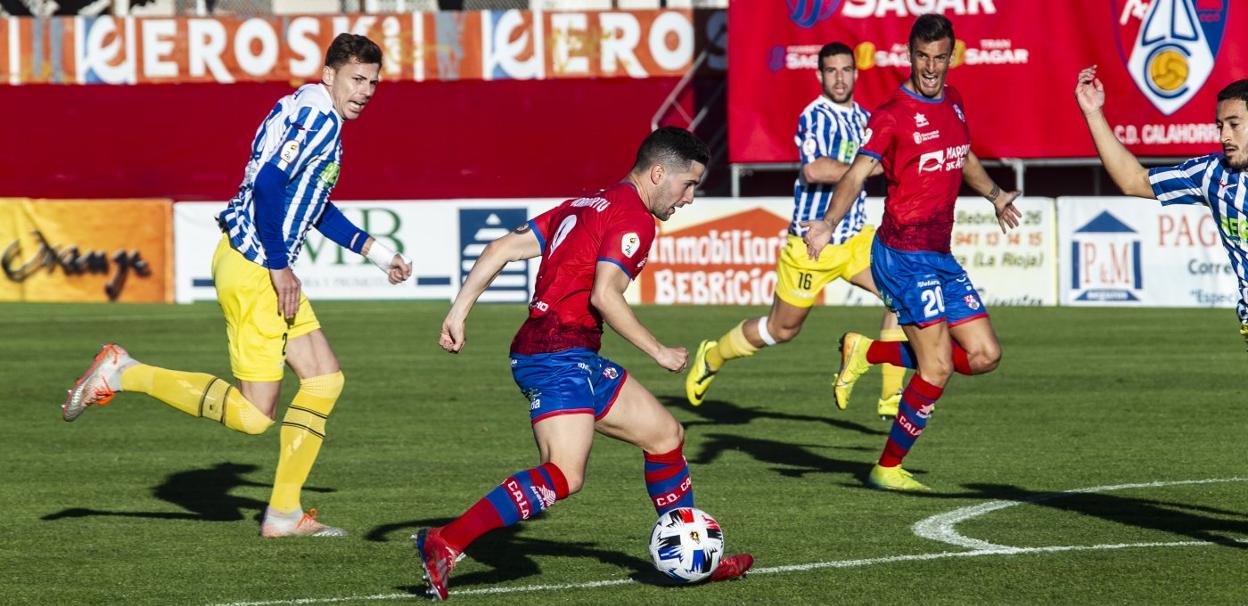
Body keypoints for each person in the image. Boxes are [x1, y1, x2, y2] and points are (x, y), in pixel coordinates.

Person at [60, 33, 413, 537]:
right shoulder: (318, 118)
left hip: (252, 263)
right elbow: (269, 185)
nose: (365, 91)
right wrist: (277, 265)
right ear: (329, 74)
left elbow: (311, 205)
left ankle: (284, 514)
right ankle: (123, 372)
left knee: (324, 380)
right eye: (357, 79)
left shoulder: (306, 109)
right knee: (253, 417)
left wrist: (377, 254)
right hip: (255, 268)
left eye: (373, 83)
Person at [416, 127, 752, 601]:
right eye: (688, 184)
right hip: (554, 356)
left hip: (572, 354)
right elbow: (605, 295)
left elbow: (500, 248)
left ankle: (690, 558)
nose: (690, 198)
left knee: (665, 436)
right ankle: (445, 542)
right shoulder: (635, 217)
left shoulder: (587, 203)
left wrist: (458, 311)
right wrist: (658, 351)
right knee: (564, 474)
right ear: (659, 173)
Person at [802, 15, 1021, 492]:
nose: (931, 67)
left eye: (940, 58)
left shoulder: (955, 102)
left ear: (951, 57)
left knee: (984, 355)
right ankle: (886, 467)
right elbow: (857, 174)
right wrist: (827, 224)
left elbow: (962, 157)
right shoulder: (892, 113)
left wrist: (996, 195)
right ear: (910, 55)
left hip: (938, 254)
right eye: (923, 57)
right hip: (901, 254)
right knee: (937, 365)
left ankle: (867, 350)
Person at [685, 41, 907, 419]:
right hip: (811, 242)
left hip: (855, 238)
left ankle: (890, 397)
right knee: (781, 330)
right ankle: (713, 354)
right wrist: (868, 169)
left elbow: (890, 161)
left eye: (846, 70)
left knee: (904, 295)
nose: (840, 78)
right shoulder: (815, 116)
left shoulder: (867, 118)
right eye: (832, 71)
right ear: (820, 75)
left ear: (856, 72)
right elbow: (815, 170)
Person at [1076, 69, 1248, 344]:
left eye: (1234, 124)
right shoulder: (1211, 173)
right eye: (1220, 126)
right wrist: (1093, 113)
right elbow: (1133, 181)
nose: (1224, 136)